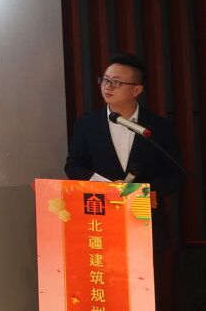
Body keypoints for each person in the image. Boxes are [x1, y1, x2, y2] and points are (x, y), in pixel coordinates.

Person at [64, 52, 183, 310]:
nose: (107, 86)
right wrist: (106, 186)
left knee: (150, 293)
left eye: (116, 82)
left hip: (145, 221)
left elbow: (177, 174)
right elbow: (73, 166)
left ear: (137, 90)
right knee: (107, 290)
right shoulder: (87, 124)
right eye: (105, 79)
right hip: (101, 220)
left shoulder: (159, 127)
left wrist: (145, 191)